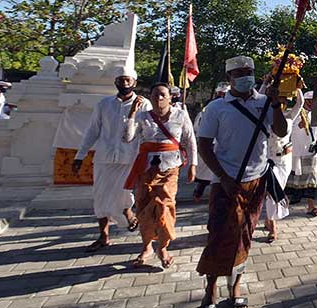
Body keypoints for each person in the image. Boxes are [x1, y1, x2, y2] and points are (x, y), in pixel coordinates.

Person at [195, 56, 288, 308]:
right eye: (239, 73)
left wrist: (277, 105)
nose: (245, 76)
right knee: (219, 234)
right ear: (229, 78)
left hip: (256, 181)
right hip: (226, 182)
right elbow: (204, 146)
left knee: (244, 236)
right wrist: (223, 178)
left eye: (249, 72)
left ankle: (234, 289)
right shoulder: (216, 108)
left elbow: (280, 131)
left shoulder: (265, 102)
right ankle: (211, 288)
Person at [72, 67, 148, 252]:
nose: (124, 83)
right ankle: (103, 235)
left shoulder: (144, 104)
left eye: (128, 80)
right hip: (104, 157)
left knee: (124, 195)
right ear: (115, 82)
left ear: (134, 83)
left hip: (130, 157)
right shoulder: (103, 104)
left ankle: (128, 213)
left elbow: (147, 132)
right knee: (100, 196)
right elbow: (92, 131)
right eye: (121, 80)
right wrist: (80, 155)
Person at [123, 82, 197, 268]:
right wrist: (131, 114)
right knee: (143, 206)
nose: (159, 98)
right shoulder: (142, 116)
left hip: (170, 167)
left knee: (165, 206)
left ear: (170, 97)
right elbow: (127, 138)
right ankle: (146, 246)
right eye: (155, 94)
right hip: (145, 167)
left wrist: (193, 165)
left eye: (163, 94)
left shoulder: (180, 115)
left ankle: (163, 247)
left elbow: (190, 140)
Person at [262, 87, 303, 242]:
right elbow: (259, 97)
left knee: (277, 189)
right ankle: (273, 228)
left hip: (284, 160)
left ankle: (268, 219)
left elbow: (300, 103)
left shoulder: (289, 117)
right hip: (269, 160)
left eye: (283, 102)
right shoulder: (265, 117)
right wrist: (266, 84)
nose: (281, 104)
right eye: (278, 102)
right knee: (273, 193)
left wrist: (297, 86)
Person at [287, 90, 317, 216]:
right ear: (307, 101)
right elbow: (290, 129)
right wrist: (300, 126)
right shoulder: (297, 113)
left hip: (312, 151)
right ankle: (284, 206)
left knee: (311, 179)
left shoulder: (316, 114)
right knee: (294, 180)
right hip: (299, 151)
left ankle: (311, 206)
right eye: (312, 101)